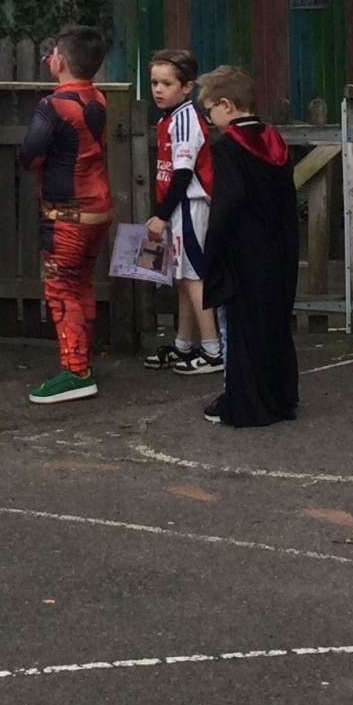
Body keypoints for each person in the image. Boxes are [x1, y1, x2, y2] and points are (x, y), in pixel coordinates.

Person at [195, 65, 299, 428]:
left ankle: (246, 403)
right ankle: (280, 398)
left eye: (210, 110)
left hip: (243, 252)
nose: (210, 119)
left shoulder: (228, 149)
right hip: (279, 249)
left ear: (226, 105)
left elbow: (226, 204)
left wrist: (212, 253)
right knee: (274, 324)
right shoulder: (276, 141)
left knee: (241, 330)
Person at [16, 25, 113, 403]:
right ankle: (82, 359)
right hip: (98, 209)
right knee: (81, 283)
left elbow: (30, 154)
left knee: (60, 288)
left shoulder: (53, 105)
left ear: (59, 61)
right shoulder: (97, 97)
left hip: (66, 214)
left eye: (53, 53)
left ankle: (75, 370)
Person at [141, 47, 221, 375]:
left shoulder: (185, 119)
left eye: (166, 83)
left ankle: (213, 350)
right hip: (180, 207)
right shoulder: (170, 118)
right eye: (154, 83)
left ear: (187, 87)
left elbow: (184, 174)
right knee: (184, 278)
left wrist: (162, 214)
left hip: (190, 206)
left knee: (194, 277)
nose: (158, 90)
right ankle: (183, 344)